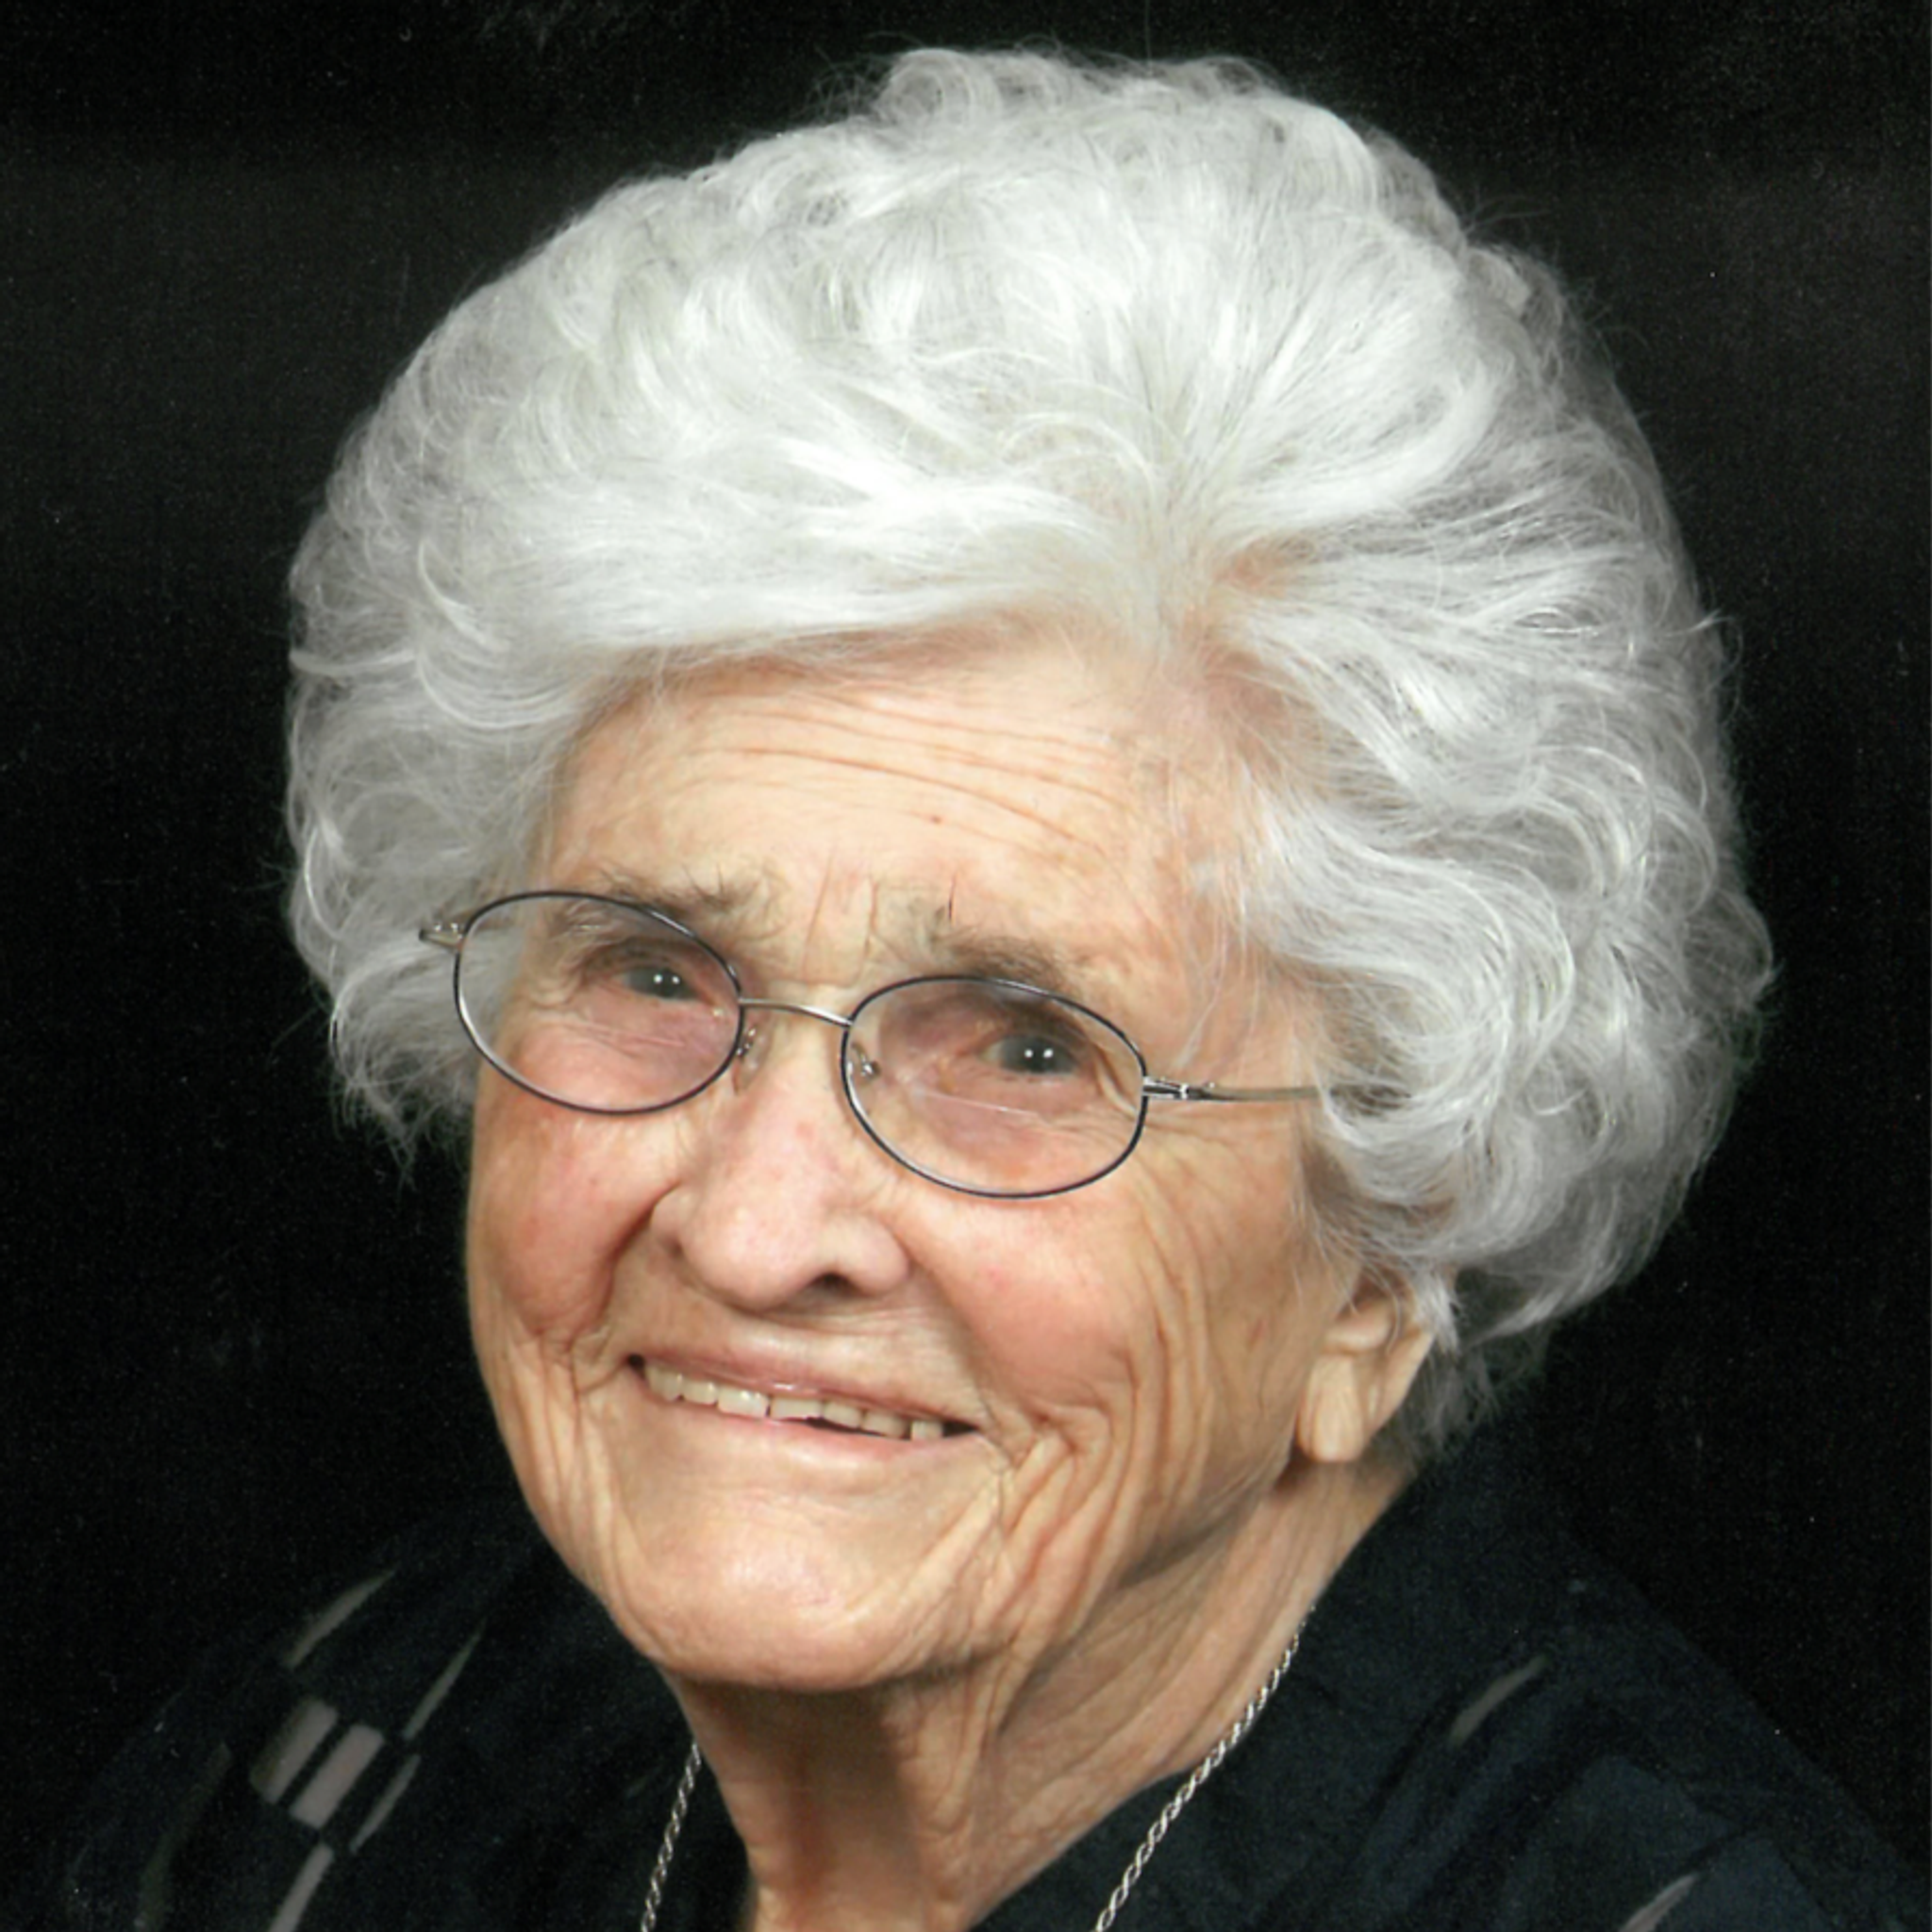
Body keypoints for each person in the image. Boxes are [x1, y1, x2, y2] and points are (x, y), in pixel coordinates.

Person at [19, 47, 1928, 1932]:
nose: (757, 1228)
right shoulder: (343, 1761)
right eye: (659, 971)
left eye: (1025, 1045)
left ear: (1383, 1258)